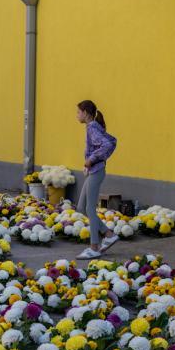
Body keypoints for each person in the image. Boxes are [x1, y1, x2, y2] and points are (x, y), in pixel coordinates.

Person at [75, 100, 118, 260]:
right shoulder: (92, 127)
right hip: (94, 171)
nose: (77, 115)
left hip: (97, 171)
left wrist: (91, 159)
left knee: (90, 209)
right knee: (81, 207)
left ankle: (94, 247)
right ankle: (108, 234)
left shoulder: (92, 127)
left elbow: (107, 144)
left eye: (78, 112)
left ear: (86, 112)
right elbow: (111, 141)